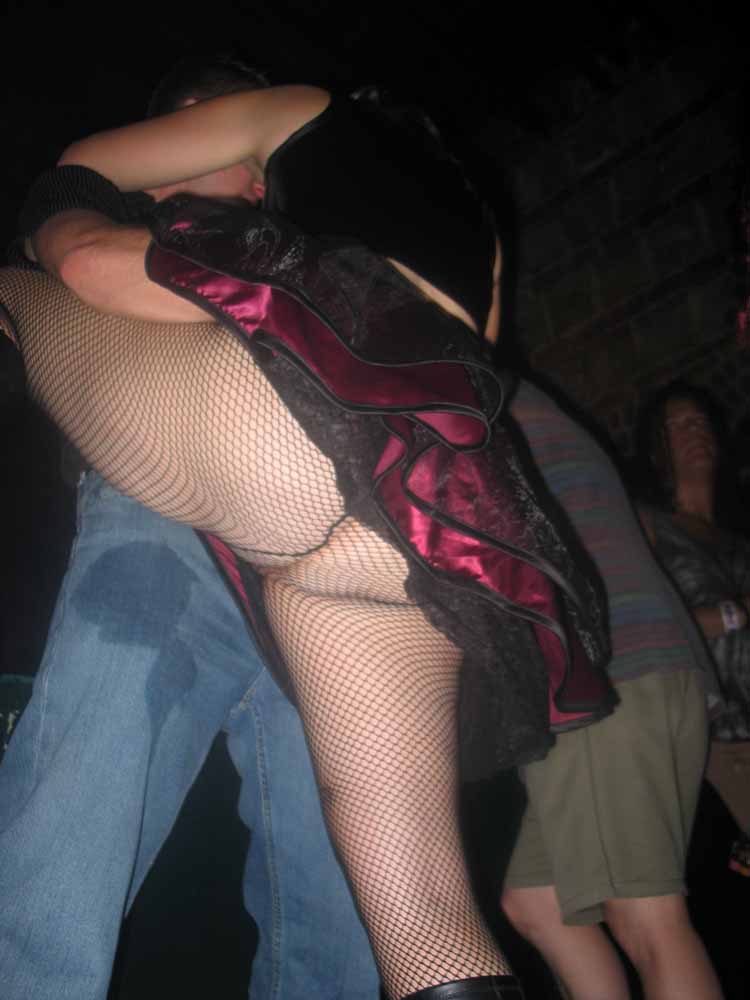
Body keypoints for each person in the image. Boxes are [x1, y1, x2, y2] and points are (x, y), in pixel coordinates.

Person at [0, 55, 617, 1000]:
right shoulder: (451, 222)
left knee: (22, 283)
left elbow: (87, 234)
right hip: (416, 537)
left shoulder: (297, 124)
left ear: (252, 159)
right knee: (426, 929)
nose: (158, 178)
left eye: (179, 148)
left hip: (276, 445)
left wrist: (58, 223)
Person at [0, 61, 379, 1000]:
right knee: (74, 830)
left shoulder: (324, 232)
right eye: (164, 138)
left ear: (256, 168)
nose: (170, 155)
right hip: (160, 518)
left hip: (321, 553)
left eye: (202, 130)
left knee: (338, 902)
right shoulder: (111, 246)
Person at [500, 382, 725, 1000]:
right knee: (537, 900)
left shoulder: (465, 398)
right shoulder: (513, 401)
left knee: (647, 917)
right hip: (625, 666)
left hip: (604, 670)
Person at [639, 381, 750, 878]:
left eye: (700, 421)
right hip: (722, 738)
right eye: (679, 425)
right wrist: (735, 613)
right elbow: (650, 627)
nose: (695, 431)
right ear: (657, 451)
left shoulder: (737, 537)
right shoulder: (649, 526)